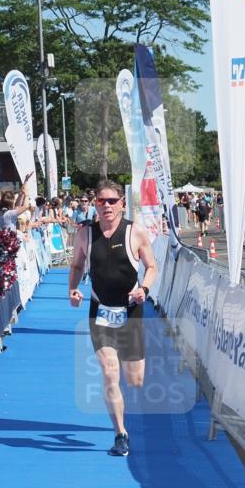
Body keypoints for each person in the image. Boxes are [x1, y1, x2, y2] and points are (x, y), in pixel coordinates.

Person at [68, 181, 158, 457]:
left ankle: (124, 418)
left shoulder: (136, 232)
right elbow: (77, 264)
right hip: (100, 311)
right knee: (109, 371)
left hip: (130, 311)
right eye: (100, 201)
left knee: (135, 379)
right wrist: (72, 289)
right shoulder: (85, 234)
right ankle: (120, 433)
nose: (106, 206)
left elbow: (152, 267)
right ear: (94, 203)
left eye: (111, 201)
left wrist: (143, 288)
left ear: (121, 203)